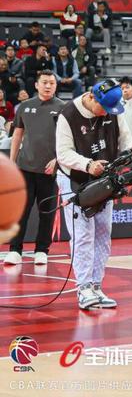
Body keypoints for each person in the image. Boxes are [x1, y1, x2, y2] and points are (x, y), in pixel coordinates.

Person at [56, 79, 132, 309]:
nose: (107, 113)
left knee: (103, 232)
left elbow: (126, 138)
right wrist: (87, 164)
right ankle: (83, 288)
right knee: (83, 235)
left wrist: (130, 154)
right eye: (104, 108)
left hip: (104, 180)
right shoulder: (68, 114)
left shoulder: (113, 112)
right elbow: (63, 153)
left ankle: (96, 285)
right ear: (92, 97)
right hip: (76, 180)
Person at [4, 70, 65, 266]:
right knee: (21, 211)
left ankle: (42, 250)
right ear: (37, 85)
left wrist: (58, 160)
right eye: (45, 82)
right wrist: (12, 162)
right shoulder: (25, 106)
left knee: (47, 212)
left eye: (52, 83)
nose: (48, 86)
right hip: (25, 168)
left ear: (56, 86)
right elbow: (17, 135)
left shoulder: (63, 108)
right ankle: (15, 250)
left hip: (50, 170)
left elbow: (68, 140)